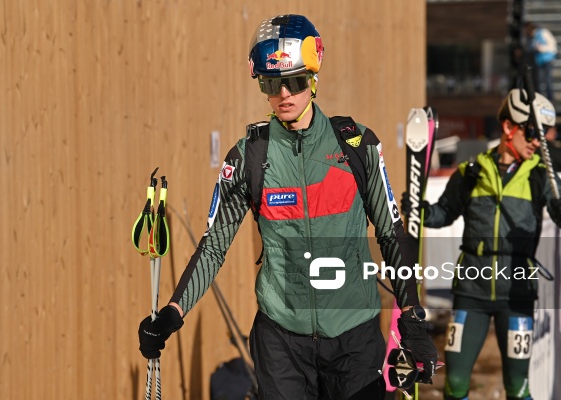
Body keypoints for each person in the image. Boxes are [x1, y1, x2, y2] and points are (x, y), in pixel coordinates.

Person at [138, 14, 437, 400]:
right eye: (271, 84)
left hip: (353, 339)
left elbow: (391, 233)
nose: (284, 95)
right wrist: (172, 314)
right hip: (281, 342)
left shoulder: (356, 147)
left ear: (313, 80)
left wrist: (412, 317)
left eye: (294, 82)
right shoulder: (249, 156)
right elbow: (214, 246)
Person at [401, 88, 561, 400]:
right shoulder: (471, 171)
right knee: (456, 383)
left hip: (517, 292)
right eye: (531, 132)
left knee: (518, 385)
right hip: (471, 291)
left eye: (540, 135)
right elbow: (443, 213)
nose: (536, 141)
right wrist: (418, 211)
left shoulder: (541, 176)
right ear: (508, 127)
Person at [524, 21, 558, 101]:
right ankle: (539, 100)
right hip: (538, 62)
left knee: (547, 81)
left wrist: (541, 48)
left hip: (547, 60)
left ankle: (550, 100)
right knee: (538, 82)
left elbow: (552, 45)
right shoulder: (530, 38)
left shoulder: (543, 32)